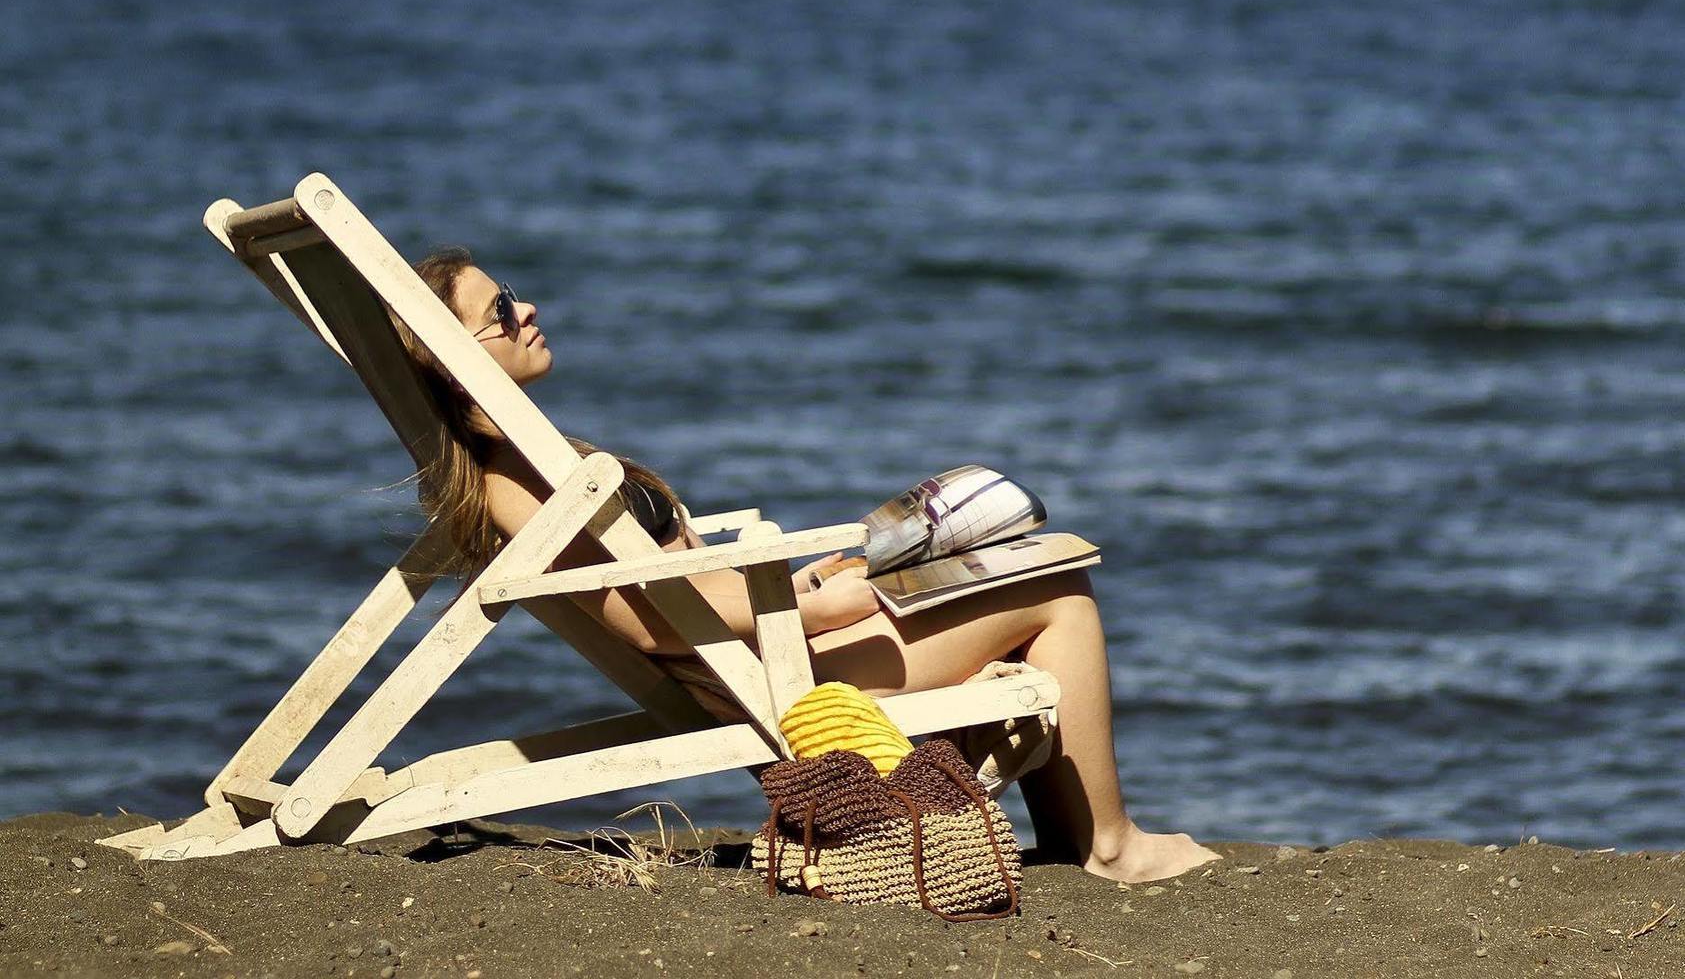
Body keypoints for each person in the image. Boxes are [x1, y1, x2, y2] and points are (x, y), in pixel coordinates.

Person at [392, 249, 1218, 886]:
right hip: (783, 675)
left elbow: (665, 587)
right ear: (456, 357)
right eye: (499, 309)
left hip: (761, 643)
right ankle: (1106, 845)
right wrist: (816, 611)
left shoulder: (535, 464)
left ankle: (1079, 836)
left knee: (1013, 557)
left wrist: (802, 586)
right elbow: (641, 619)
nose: (525, 306)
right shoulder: (513, 486)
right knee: (1058, 595)